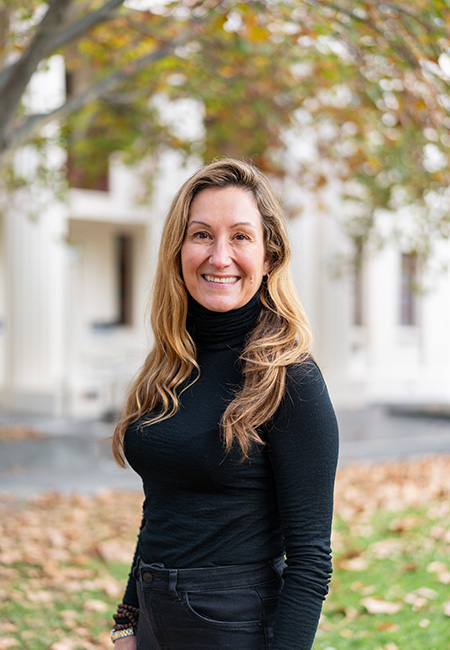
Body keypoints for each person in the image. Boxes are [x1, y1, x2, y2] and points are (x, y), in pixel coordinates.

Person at [109, 158, 339, 650]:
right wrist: (127, 620)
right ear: (178, 250)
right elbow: (162, 508)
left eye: (240, 236)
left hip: (232, 626)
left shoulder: (289, 378)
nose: (219, 256)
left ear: (269, 255)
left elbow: (311, 561)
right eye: (201, 235)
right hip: (154, 618)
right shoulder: (171, 364)